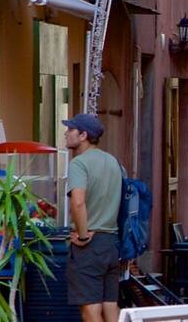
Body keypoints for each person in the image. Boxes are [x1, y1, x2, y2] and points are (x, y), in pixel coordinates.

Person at [63, 114, 126, 322]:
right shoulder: (113, 162)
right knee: (110, 306)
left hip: (90, 244)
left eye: (70, 129)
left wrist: (82, 236)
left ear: (83, 135)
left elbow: (78, 203)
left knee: (90, 309)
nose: (66, 133)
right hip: (111, 242)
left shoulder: (79, 164)